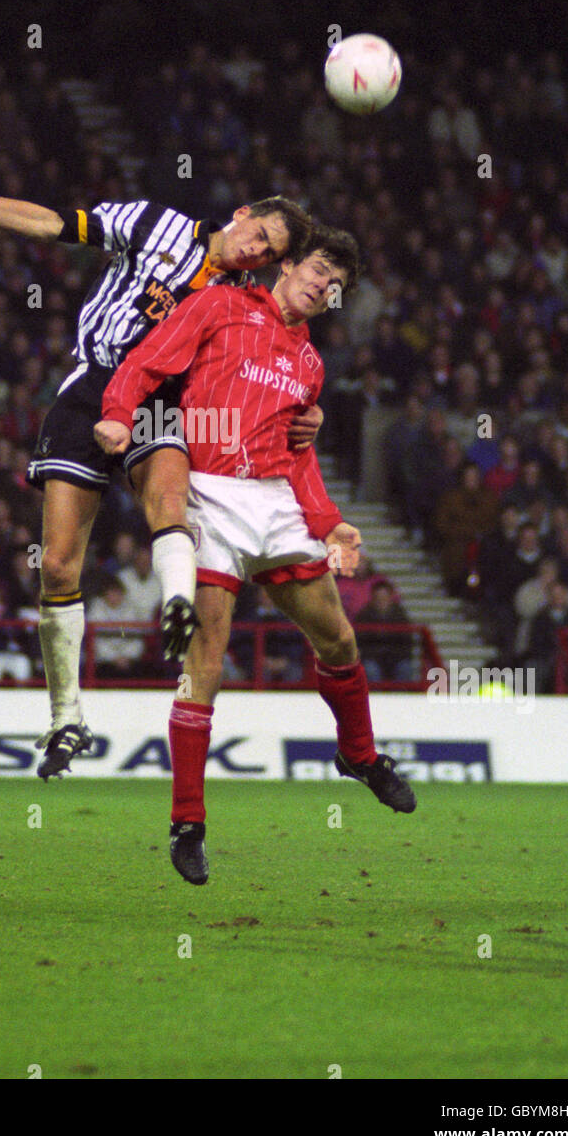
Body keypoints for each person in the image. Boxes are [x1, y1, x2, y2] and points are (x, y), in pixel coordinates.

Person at [0, 180, 319, 780]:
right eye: (259, 234)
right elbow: (50, 222)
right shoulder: (153, 224)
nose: (256, 251)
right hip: (93, 390)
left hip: (160, 400)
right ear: (240, 212)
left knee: (168, 498)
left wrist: (309, 408)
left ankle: (176, 604)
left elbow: (280, 355)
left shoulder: (244, 300)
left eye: (269, 252)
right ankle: (67, 719)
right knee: (59, 565)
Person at [95, 225, 416, 886]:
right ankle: (188, 823)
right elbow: (149, 360)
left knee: (339, 640)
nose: (323, 287)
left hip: (273, 502)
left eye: (336, 286)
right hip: (208, 493)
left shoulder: (311, 366)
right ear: (290, 263)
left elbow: (299, 456)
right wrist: (119, 411)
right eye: (319, 269)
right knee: (205, 665)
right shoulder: (219, 304)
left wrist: (330, 525)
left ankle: (358, 755)